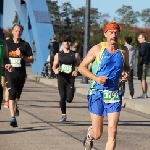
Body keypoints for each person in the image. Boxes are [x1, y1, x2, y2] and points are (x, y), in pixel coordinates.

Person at [78, 22, 129, 150]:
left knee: (113, 130)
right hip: (97, 93)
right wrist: (96, 78)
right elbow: (81, 67)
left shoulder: (123, 51)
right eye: (111, 32)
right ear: (105, 34)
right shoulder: (97, 49)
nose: (114, 35)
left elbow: (127, 67)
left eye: (116, 32)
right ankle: (90, 135)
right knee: (98, 134)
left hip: (113, 93)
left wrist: (125, 74)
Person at [5, 24, 34, 127]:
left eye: (19, 31)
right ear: (12, 32)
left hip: (21, 73)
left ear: (21, 32)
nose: (18, 33)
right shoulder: (7, 44)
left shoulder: (25, 45)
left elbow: (31, 59)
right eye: (16, 31)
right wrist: (5, 65)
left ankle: (15, 106)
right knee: (12, 92)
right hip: (10, 73)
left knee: (17, 95)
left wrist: (22, 56)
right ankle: (13, 118)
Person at [53, 35, 80, 122]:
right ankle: (63, 115)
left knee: (69, 99)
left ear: (70, 43)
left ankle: (68, 95)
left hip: (70, 78)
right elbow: (54, 66)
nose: (67, 42)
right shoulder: (58, 55)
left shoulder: (75, 54)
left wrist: (76, 71)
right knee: (62, 97)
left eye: (68, 41)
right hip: (61, 77)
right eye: (65, 41)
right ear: (63, 43)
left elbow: (79, 66)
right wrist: (55, 70)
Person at [137, 33, 150, 98]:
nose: (138, 39)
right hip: (147, 62)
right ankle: (145, 93)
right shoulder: (148, 45)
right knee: (144, 78)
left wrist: (138, 63)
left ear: (143, 38)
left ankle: (144, 93)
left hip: (143, 63)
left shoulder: (143, 45)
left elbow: (141, 56)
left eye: (139, 38)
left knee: (142, 79)